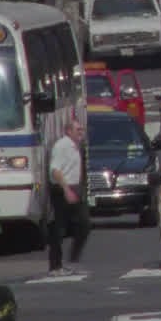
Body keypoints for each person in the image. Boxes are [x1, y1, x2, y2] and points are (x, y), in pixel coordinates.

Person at [45, 117, 88, 273]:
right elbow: (55, 170)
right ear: (68, 131)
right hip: (61, 188)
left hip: (74, 188)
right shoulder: (61, 146)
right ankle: (55, 266)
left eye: (81, 129)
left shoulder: (76, 146)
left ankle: (72, 260)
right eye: (78, 130)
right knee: (59, 228)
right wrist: (66, 190)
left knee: (83, 224)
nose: (81, 132)